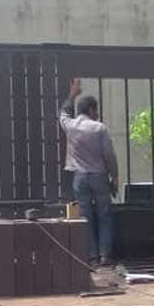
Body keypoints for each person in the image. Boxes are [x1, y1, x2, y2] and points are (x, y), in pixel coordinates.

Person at [60, 78, 119, 267]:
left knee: (85, 217)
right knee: (104, 215)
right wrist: (115, 176)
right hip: (98, 176)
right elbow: (109, 155)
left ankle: (91, 256)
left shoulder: (70, 126)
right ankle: (105, 255)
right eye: (96, 109)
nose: (97, 113)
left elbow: (62, 113)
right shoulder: (99, 128)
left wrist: (72, 93)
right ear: (92, 110)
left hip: (79, 177)